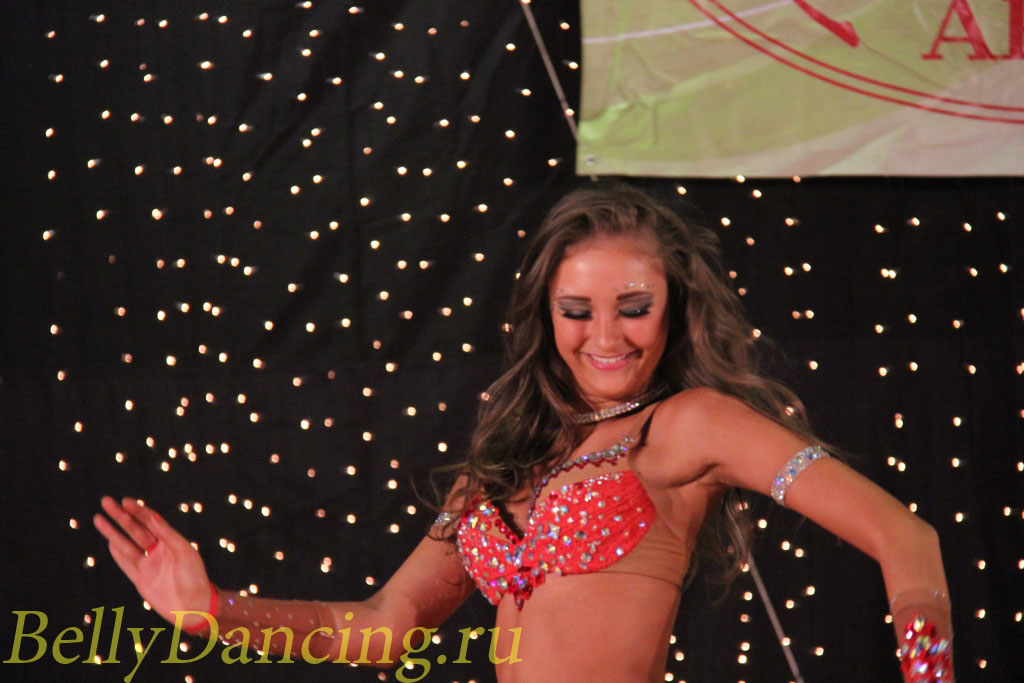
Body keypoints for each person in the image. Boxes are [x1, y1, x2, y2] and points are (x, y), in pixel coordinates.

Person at [94, 183, 954, 682]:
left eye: (635, 307)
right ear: (546, 313)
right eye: (578, 309)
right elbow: (386, 623)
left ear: (674, 310)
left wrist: (929, 671)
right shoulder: (503, 464)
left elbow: (905, 536)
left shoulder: (692, 423)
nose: (607, 336)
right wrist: (214, 611)